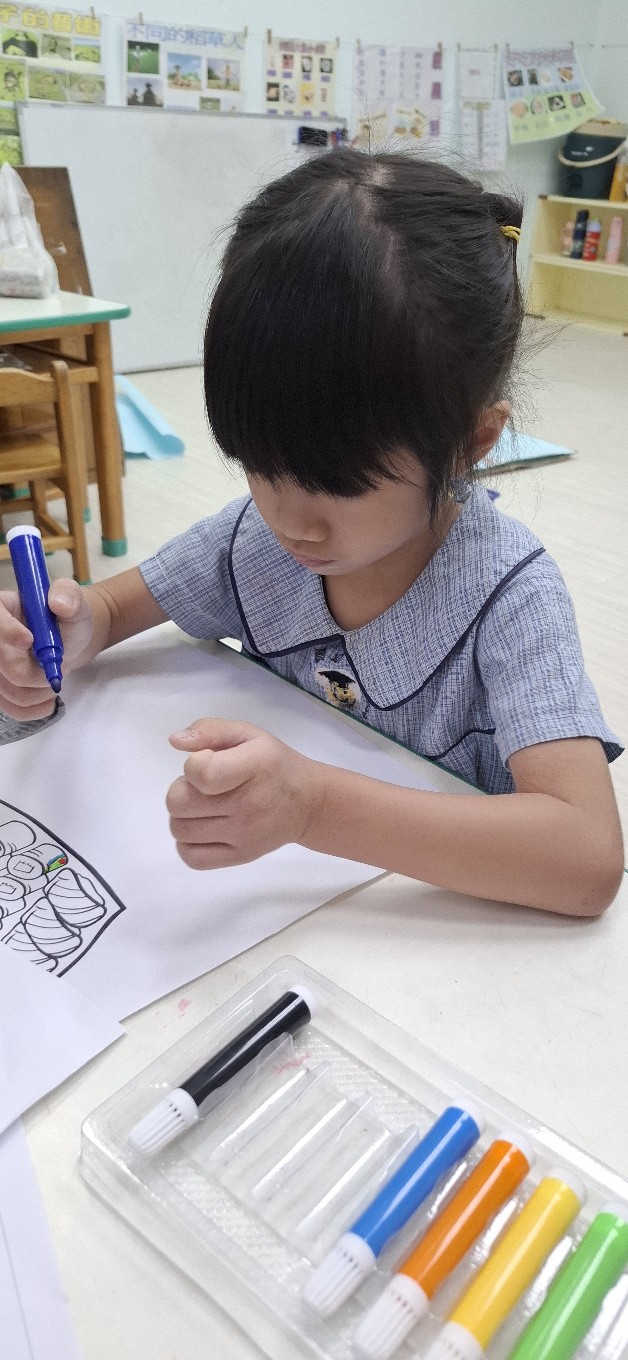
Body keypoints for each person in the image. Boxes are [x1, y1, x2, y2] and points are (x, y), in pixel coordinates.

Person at [0, 151, 623, 917]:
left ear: (471, 443)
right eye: (260, 465)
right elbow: (111, 607)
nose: (290, 521)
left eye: (339, 482)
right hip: (282, 924)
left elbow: (586, 859)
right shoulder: (253, 543)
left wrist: (313, 807)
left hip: (448, 939)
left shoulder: (510, 598)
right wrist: (68, 629)